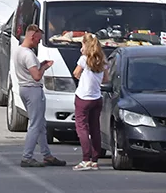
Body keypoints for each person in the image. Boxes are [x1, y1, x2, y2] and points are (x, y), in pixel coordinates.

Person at [14, 24, 66, 167]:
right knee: (36, 124)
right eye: (38, 39)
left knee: (41, 124)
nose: (39, 41)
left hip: (24, 88)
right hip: (33, 90)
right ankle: (27, 156)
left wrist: (39, 65)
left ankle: (47, 155)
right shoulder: (28, 54)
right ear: (32, 36)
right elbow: (36, 76)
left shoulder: (18, 51)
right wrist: (44, 67)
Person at [72, 34, 106, 170]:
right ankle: (95, 159)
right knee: (95, 128)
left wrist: (83, 80)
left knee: (82, 128)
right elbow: (106, 79)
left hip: (83, 98)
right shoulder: (102, 61)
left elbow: (75, 73)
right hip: (97, 98)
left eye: (82, 45)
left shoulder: (84, 59)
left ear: (86, 45)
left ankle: (86, 158)